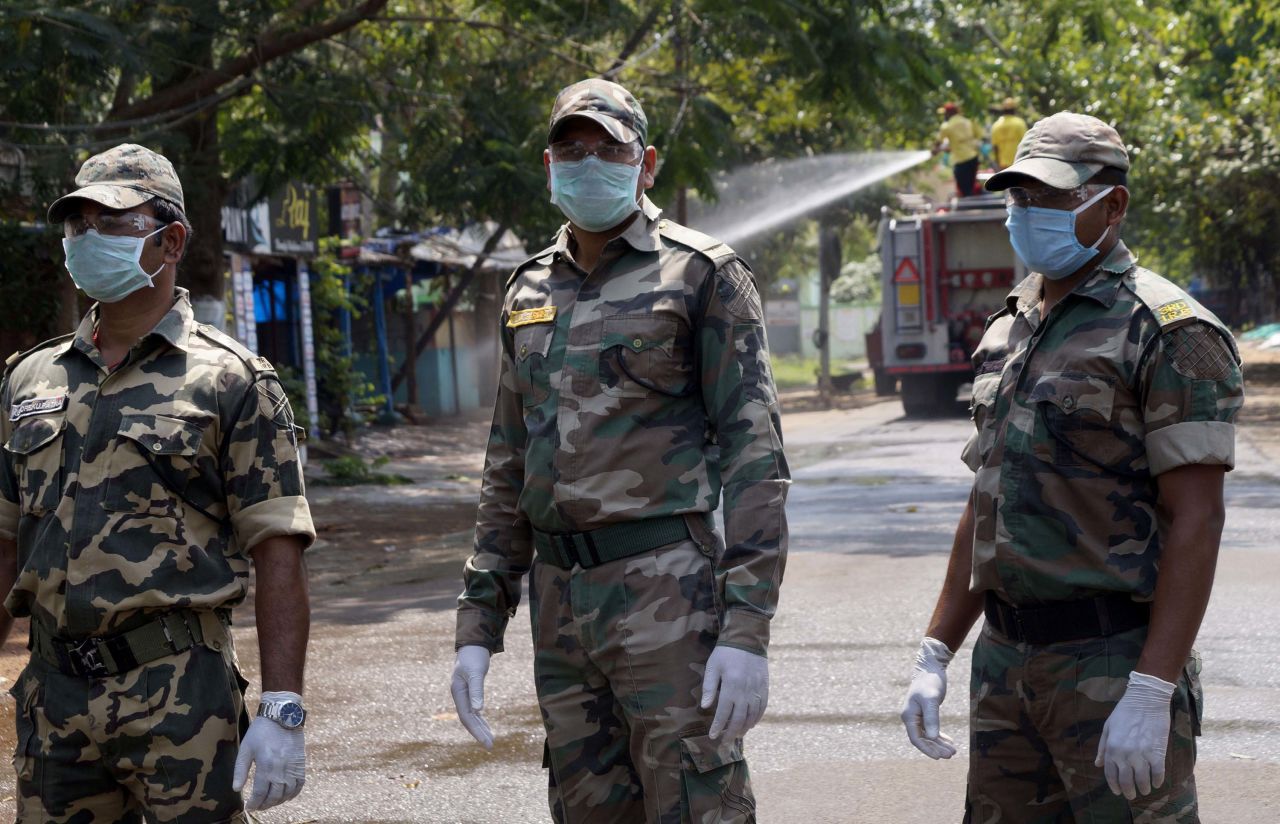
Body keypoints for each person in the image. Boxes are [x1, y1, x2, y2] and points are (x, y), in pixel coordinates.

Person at [449, 78, 789, 823]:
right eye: (572, 150)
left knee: (698, 799)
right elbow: (508, 464)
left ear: (647, 163)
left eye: (610, 149)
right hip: (561, 604)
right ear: (548, 166)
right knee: (585, 806)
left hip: (668, 593)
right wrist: (479, 624)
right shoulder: (527, 289)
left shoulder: (702, 275)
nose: (589, 163)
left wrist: (746, 628)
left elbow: (755, 457)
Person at [899, 112, 1243, 822]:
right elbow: (987, 497)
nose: (1025, 215)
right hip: (1004, 664)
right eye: (1017, 197)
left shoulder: (1166, 330)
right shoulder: (1010, 326)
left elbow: (1197, 517)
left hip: (1111, 663)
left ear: (1111, 204)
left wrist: (1152, 686)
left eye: (1051, 198)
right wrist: (937, 648)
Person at [0, 143, 316, 822]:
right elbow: (3, 542)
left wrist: (283, 707)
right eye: (77, 225)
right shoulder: (30, 379)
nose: (86, 241)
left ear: (169, 239)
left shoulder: (233, 381)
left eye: (110, 224)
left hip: (179, 694)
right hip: (53, 697)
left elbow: (278, 547)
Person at [933, 102, 984, 198]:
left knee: (964, 190)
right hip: (973, 158)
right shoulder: (968, 122)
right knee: (971, 186)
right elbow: (978, 136)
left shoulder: (947, 126)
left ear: (948, 113)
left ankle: (970, 208)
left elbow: (938, 142)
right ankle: (975, 207)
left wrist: (934, 151)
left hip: (961, 161)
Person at [990, 97, 1029, 171]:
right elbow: (1026, 143)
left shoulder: (996, 125)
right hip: (1018, 163)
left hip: (1003, 166)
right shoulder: (1020, 123)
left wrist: (998, 164)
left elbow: (995, 147)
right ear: (1014, 109)